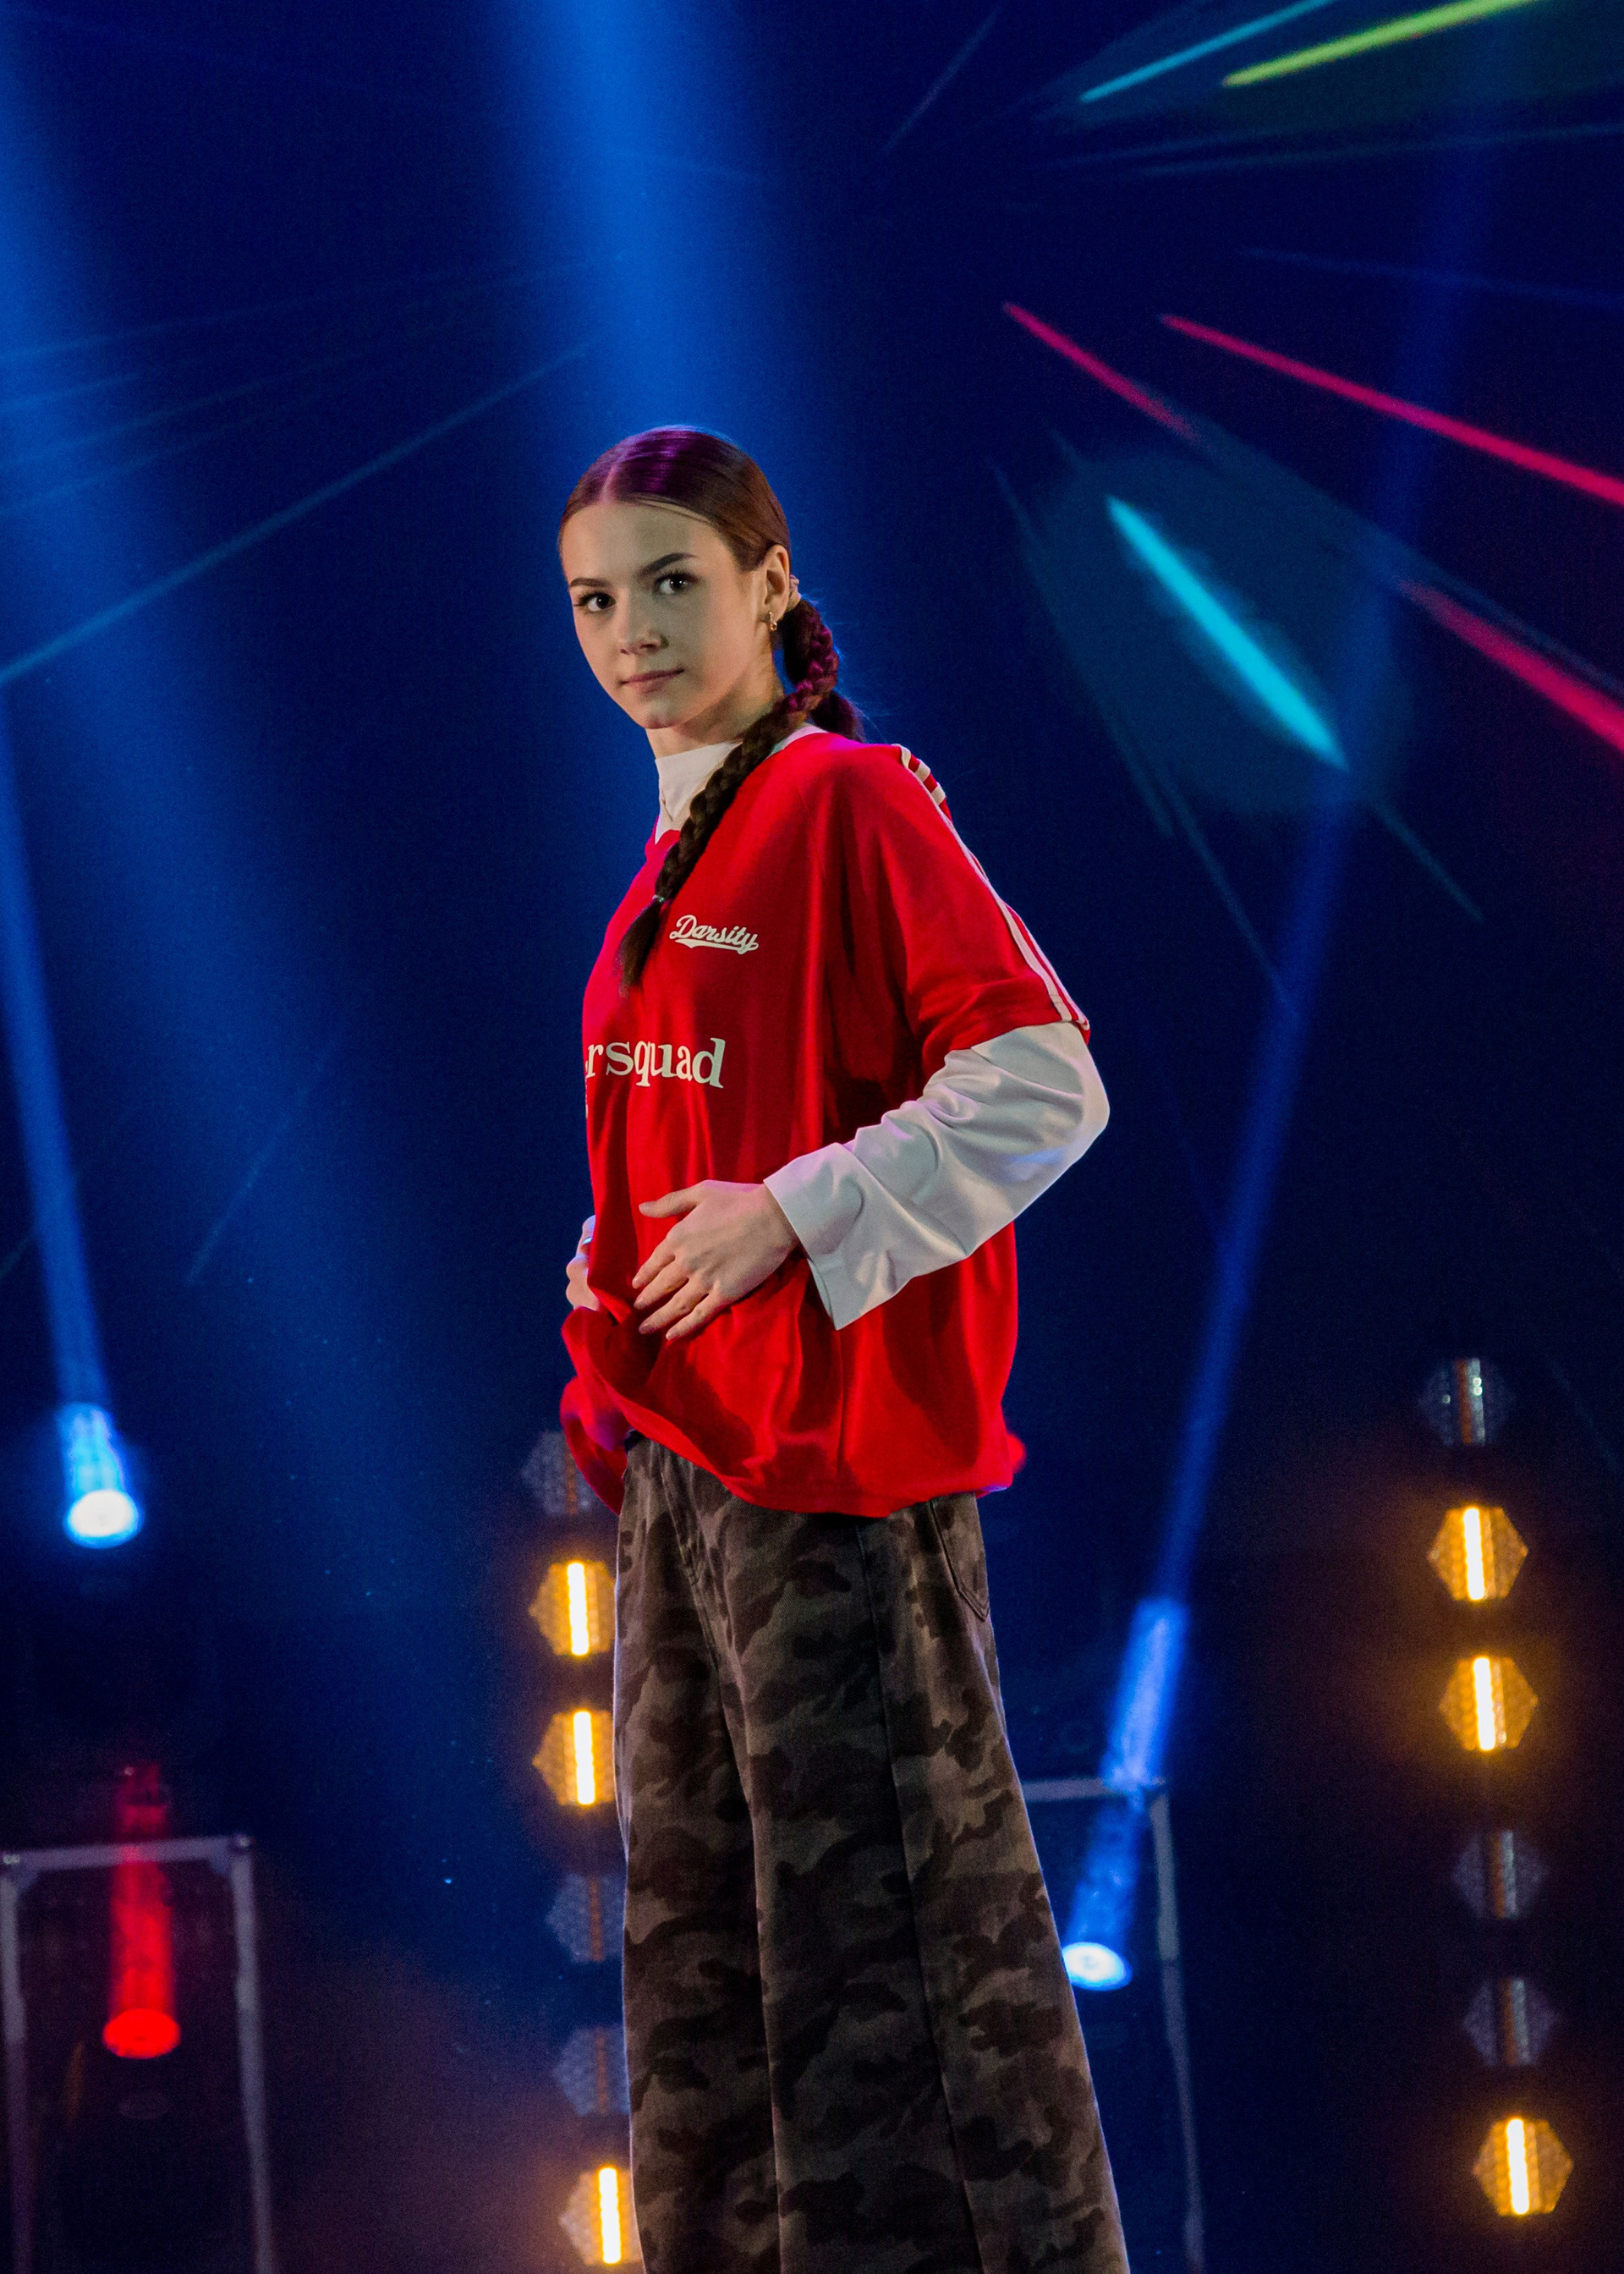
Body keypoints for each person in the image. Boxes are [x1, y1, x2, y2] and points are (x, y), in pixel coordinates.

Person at [557, 426, 1127, 2274]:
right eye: (595, 600)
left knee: (889, 1990)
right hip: (689, 1483)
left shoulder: (848, 802)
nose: (633, 632)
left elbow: (1045, 1081)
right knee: (711, 1992)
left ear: (770, 584)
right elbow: (691, 1134)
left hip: (831, 1489)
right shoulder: (676, 852)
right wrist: (623, 1264)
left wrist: (795, 1212)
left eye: (672, 583)